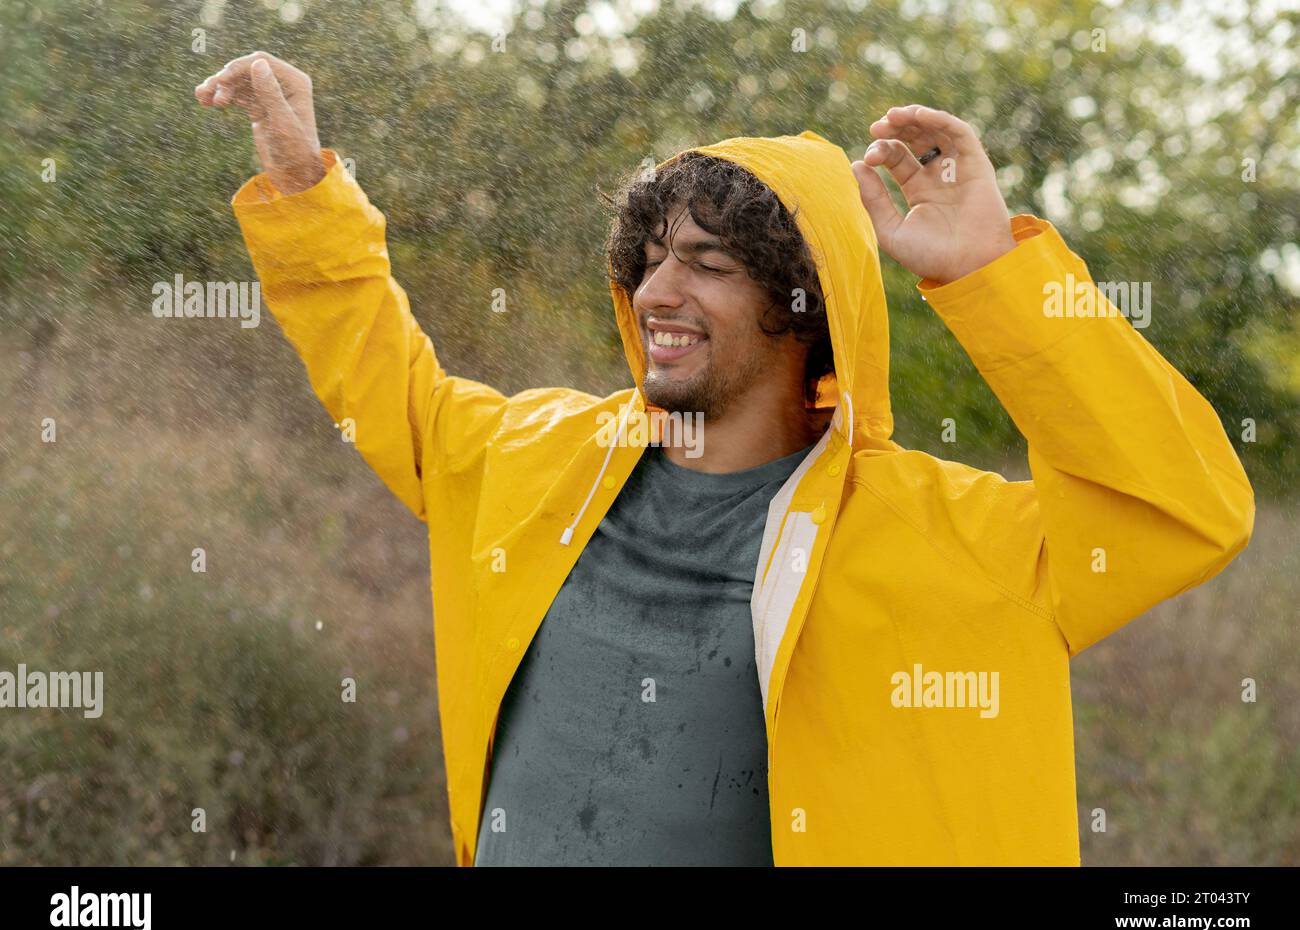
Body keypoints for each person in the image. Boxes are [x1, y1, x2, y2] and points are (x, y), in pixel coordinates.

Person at [195, 53, 1254, 866]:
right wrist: (303, 192)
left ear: (803, 303)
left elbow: (1177, 506)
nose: (658, 291)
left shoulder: (955, 542)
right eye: (651, 258)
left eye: (707, 264)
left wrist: (986, 273)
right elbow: (391, 390)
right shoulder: (535, 460)